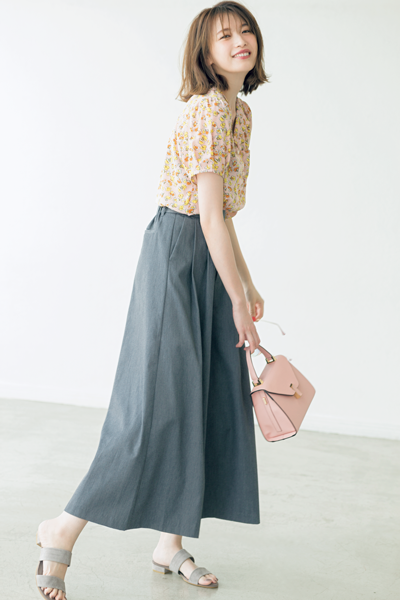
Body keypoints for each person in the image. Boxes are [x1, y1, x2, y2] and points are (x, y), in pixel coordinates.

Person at [35, 1, 270, 597]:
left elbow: (225, 216)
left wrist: (246, 282)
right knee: (152, 409)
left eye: (245, 30)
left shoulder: (240, 112)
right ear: (205, 53)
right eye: (224, 35)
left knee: (201, 398)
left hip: (209, 254)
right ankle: (62, 526)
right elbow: (206, 218)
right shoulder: (209, 110)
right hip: (177, 256)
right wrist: (237, 298)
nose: (240, 40)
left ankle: (170, 542)